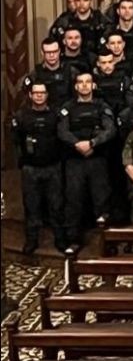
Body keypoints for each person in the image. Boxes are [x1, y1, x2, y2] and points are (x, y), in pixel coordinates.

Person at [58, 71, 117, 249]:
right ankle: (73, 240)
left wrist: (92, 143)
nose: (84, 85)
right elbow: (62, 131)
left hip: (97, 160)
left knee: (102, 201)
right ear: (76, 86)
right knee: (73, 200)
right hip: (74, 161)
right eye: (80, 82)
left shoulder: (101, 106)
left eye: (88, 82)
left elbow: (110, 129)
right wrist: (77, 144)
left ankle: (107, 241)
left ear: (93, 85)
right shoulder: (67, 107)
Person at [13, 83, 68, 253]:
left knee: (56, 205)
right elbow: (16, 142)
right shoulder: (21, 116)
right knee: (31, 206)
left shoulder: (56, 115)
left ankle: (60, 239)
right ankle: (31, 240)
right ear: (30, 95)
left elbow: (63, 139)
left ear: (47, 95)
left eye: (42, 93)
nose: (39, 96)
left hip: (53, 167)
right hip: (31, 168)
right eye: (35, 93)